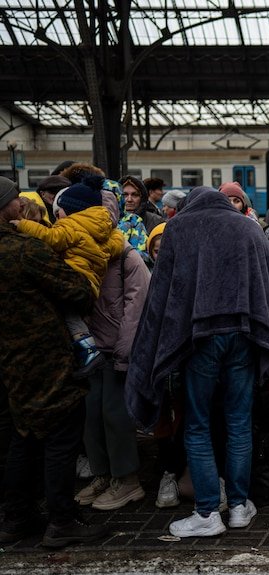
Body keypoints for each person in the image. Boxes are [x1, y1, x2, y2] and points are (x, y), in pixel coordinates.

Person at [126, 186, 269, 538]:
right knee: (238, 422)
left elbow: (163, 292)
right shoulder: (247, 227)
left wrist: (152, 348)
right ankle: (237, 507)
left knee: (198, 424)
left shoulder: (179, 228)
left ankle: (206, 511)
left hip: (199, 338)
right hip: (244, 336)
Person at [0, 176, 109, 548]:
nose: (21, 205)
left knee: (22, 438)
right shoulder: (24, 250)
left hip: (9, 363)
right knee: (61, 439)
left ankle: (16, 518)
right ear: (5, 209)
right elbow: (77, 292)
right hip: (46, 359)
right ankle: (61, 521)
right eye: (15, 201)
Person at [75, 191, 151, 511]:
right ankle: (103, 473)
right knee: (92, 416)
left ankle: (127, 479)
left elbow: (138, 304)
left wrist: (124, 347)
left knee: (115, 417)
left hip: (115, 350)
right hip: (92, 348)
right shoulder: (84, 252)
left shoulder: (126, 255)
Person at [11, 176, 126, 377]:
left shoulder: (71, 228)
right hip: (91, 285)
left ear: (72, 211)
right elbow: (116, 245)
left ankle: (88, 349)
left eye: (59, 211)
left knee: (68, 314)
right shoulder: (105, 233)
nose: (57, 216)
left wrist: (22, 225)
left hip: (71, 279)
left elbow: (49, 237)